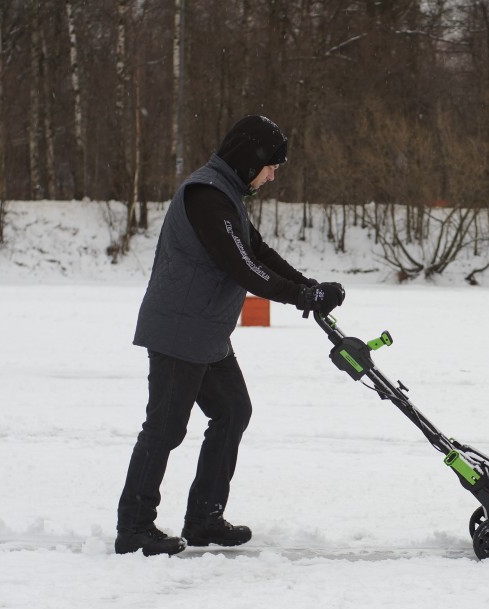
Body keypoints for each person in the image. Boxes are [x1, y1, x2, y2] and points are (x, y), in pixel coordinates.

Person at [115, 114, 344, 556]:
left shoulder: (226, 195)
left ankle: (204, 519)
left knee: (233, 410)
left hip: (205, 331)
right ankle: (134, 527)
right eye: (272, 165)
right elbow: (243, 267)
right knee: (164, 429)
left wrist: (309, 287)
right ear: (251, 157)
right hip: (180, 329)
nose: (274, 174)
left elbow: (257, 250)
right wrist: (301, 295)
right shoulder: (206, 196)